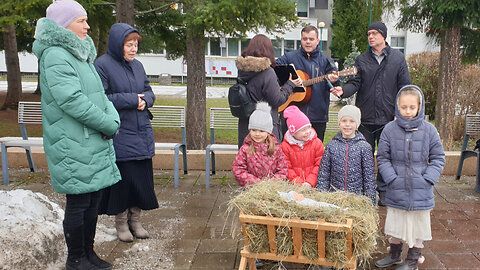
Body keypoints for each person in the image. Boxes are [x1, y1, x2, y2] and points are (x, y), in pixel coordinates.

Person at [33, 0, 121, 269]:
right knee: (80, 200)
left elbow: (100, 95)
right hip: (72, 143)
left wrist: (112, 116)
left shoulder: (79, 54)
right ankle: (75, 259)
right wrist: (107, 124)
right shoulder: (56, 55)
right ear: (63, 24)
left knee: (93, 199)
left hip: (89, 139)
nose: (88, 25)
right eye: (81, 20)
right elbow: (71, 100)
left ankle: (88, 253)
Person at [331, 21, 411, 205]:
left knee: (386, 155)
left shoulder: (397, 58)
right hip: (365, 116)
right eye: (369, 34)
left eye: (374, 33)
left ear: (383, 35)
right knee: (364, 155)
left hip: (389, 117)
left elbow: (405, 87)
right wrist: (343, 91)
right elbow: (355, 83)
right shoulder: (361, 59)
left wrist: (399, 112)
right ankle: (365, 191)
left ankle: (382, 191)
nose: (371, 37)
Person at [94, 23, 159, 242]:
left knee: (140, 182)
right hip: (120, 133)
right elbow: (101, 98)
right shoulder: (102, 65)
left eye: (135, 45)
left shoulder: (138, 66)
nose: (133, 49)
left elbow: (149, 91)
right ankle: (121, 224)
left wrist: (146, 100)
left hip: (141, 132)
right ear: (116, 44)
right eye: (128, 45)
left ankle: (136, 221)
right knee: (122, 183)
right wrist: (133, 99)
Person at [375, 85, 445, 270]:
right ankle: (395, 255)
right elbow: (383, 157)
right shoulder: (389, 130)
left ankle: (412, 261)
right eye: (403, 107)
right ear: (397, 106)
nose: (407, 111)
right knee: (396, 224)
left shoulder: (429, 130)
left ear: (419, 106)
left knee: (418, 226)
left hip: (420, 189)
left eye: (411, 108)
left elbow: (438, 157)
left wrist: (428, 178)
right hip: (396, 188)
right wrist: (391, 178)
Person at [236, 34, 302, 148]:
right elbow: (277, 100)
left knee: (247, 161)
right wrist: (290, 85)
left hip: (246, 126)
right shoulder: (267, 72)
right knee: (267, 163)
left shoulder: (242, 70)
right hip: (265, 128)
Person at [276, 25, 339, 141]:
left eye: (311, 39)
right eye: (305, 39)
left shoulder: (326, 61)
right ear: (301, 40)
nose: (308, 42)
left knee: (315, 153)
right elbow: (275, 71)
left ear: (318, 41)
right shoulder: (289, 57)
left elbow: (336, 84)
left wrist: (335, 81)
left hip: (317, 117)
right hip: (291, 117)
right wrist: (287, 84)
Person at [316, 105, 376, 205]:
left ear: (357, 124)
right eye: (344, 121)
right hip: (334, 198)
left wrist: (370, 202)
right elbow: (324, 174)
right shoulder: (331, 146)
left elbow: (369, 177)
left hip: (356, 199)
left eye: (352, 121)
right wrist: (321, 198)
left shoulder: (364, 147)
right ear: (339, 123)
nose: (347, 125)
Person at [232, 102, 288, 187]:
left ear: (268, 132)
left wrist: (273, 182)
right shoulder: (245, 149)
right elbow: (238, 169)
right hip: (251, 189)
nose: (257, 134)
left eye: (261, 131)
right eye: (254, 130)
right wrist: (255, 182)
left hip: (271, 188)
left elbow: (283, 169)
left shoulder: (276, 149)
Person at [281, 105, 324, 188]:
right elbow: (286, 167)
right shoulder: (285, 147)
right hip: (294, 186)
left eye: (308, 127)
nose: (308, 132)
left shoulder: (317, 143)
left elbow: (320, 164)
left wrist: (310, 182)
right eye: (303, 130)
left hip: (313, 185)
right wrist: (298, 182)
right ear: (293, 132)